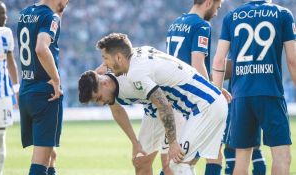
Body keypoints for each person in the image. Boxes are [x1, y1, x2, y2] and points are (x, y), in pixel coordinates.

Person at [93, 33, 229, 175]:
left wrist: (173, 143)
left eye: (105, 58)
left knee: (178, 165)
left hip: (205, 107)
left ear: (119, 57)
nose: (104, 64)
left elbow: (164, 106)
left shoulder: (136, 73)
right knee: (185, 163)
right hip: (210, 101)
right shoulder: (139, 54)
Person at [212, 0, 296, 174]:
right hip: (270, 93)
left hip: (240, 96)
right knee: (282, 157)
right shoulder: (283, 14)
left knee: (241, 161)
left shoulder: (231, 17)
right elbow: (293, 61)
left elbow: (219, 60)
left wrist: (216, 92)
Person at [166, 0, 225, 174]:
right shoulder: (201, 26)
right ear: (208, 3)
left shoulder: (175, 23)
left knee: (179, 157)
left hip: (174, 96)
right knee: (207, 154)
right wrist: (213, 92)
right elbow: (197, 63)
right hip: (192, 99)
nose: (216, 13)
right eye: (217, 7)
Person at [92, 66, 181, 175]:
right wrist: (135, 143)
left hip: (170, 106)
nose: (101, 103)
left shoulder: (124, 69)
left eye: (99, 98)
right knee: (140, 162)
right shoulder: (106, 82)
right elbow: (117, 111)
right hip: (151, 112)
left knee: (170, 164)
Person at [17, 0, 68, 174]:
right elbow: (41, 48)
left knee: (50, 154)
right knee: (41, 161)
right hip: (45, 93)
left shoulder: (26, 12)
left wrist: (58, 13)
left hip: (27, 90)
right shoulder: (49, 16)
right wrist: (56, 80)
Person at [0, 1, 19, 175]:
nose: (5, 17)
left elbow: (11, 62)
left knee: (0, 136)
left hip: (3, 93)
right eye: (2, 13)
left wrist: (16, 90)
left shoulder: (6, 34)